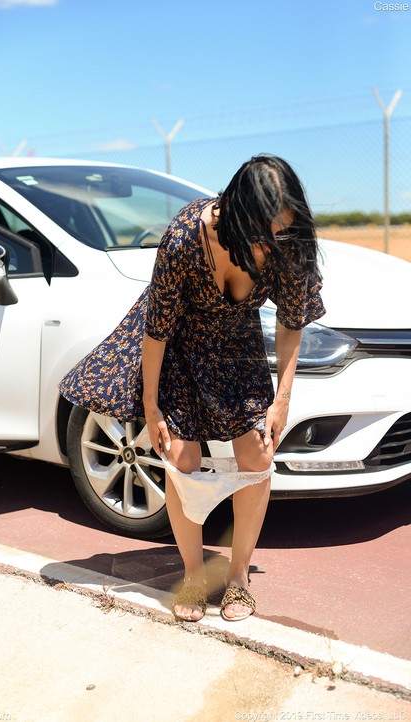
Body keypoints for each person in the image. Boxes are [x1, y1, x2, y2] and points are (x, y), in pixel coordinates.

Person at [59, 154, 325, 623]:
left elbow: (290, 325)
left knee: (258, 456)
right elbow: (156, 331)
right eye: (264, 233)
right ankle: (194, 573)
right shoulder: (185, 237)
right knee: (180, 460)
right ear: (236, 216)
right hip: (179, 345)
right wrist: (151, 405)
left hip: (237, 344)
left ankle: (239, 577)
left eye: (282, 231)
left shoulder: (288, 244)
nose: (273, 244)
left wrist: (282, 398)